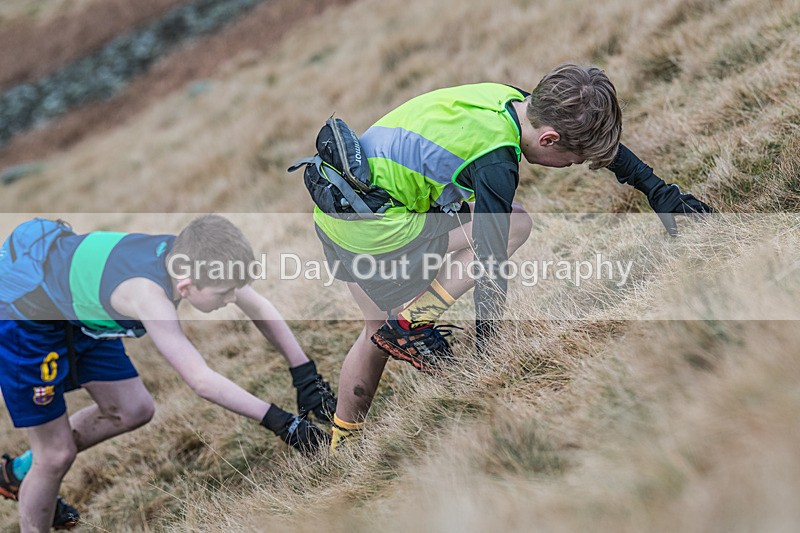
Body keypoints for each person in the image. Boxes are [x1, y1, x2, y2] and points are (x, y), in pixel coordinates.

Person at [310, 63, 713, 449]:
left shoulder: (515, 102)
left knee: (374, 331)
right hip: (376, 230)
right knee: (515, 225)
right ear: (549, 139)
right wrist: (489, 348)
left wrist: (660, 193)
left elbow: (595, 142)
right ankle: (411, 323)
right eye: (573, 161)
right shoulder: (496, 161)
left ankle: (341, 444)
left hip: (338, 211)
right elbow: (490, 258)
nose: (572, 165)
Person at [0, 214, 336, 531]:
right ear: (186, 287)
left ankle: (19, 473)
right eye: (224, 294)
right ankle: (36, 482)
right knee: (55, 455)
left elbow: (256, 304)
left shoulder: (193, 256)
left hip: (75, 310)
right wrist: (283, 423)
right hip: (24, 318)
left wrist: (305, 375)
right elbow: (200, 380)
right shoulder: (148, 296)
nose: (233, 298)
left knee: (134, 409)